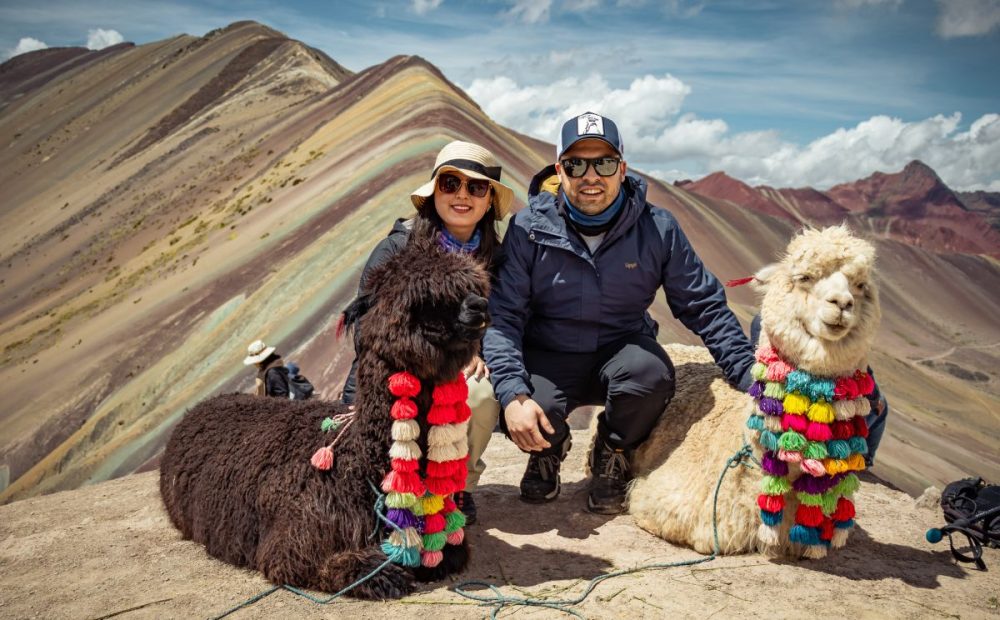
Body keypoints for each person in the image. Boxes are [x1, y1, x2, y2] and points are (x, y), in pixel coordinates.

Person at [483, 112, 755, 515]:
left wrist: (750, 374)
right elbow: (503, 317)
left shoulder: (657, 228)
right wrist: (511, 393)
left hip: (621, 346)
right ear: (560, 170)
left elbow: (703, 305)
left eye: (604, 163)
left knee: (650, 376)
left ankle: (612, 450)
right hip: (547, 352)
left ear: (622, 169)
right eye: (576, 164)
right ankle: (549, 449)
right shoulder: (528, 229)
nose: (591, 175)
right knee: (514, 402)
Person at [340, 140, 516, 524]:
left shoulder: (501, 260)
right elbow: (368, 329)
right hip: (398, 371)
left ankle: (456, 488)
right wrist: (434, 356)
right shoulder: (396, 248)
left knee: (482, 393)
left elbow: (507, 320)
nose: (462, 195)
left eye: (477, 187)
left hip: (462, 369)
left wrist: (477, 353)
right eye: (450, 183)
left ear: (489, 200)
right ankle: (399, 486)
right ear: (433, 192)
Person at [749, 314, 888, 467]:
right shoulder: (838, 343)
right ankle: (864, 459)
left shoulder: (767, 322)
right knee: (881, 406)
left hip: (773, 408)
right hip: (821, 424)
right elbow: (866, 391)